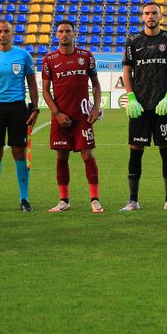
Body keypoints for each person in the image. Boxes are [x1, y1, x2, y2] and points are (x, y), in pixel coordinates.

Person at [121, 2, 167, 212]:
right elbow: (127, 72)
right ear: (142, 17)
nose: (150, 16)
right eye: (147, 13)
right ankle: (132, 200)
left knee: (166, 150)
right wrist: (131, 97)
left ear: (161, 16)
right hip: (139, 106)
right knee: (135, 151)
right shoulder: (133, 41)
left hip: (162, 107)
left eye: (154, 13)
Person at [0, 20, 39, 212]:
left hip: (17, 108)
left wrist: (35, 108)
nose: (2, 34)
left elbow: (33, 83)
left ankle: (24, 199)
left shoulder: (23, 55)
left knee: (19, 153)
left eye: (6, 31)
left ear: (13, 34)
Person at [41, 21, 104, 213]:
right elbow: (44, 90)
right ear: (56, 35)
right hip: (61, 117)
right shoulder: (49, 59)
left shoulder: (86, 56)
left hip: (83, 115)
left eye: (68, 31)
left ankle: (94, 199)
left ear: (73, 34)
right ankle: (64, 200)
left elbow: (95, 84)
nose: (64, 34)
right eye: (61, 31)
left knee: (87, 155)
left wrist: (96, 108)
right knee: (61, 156)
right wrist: (57, 114)